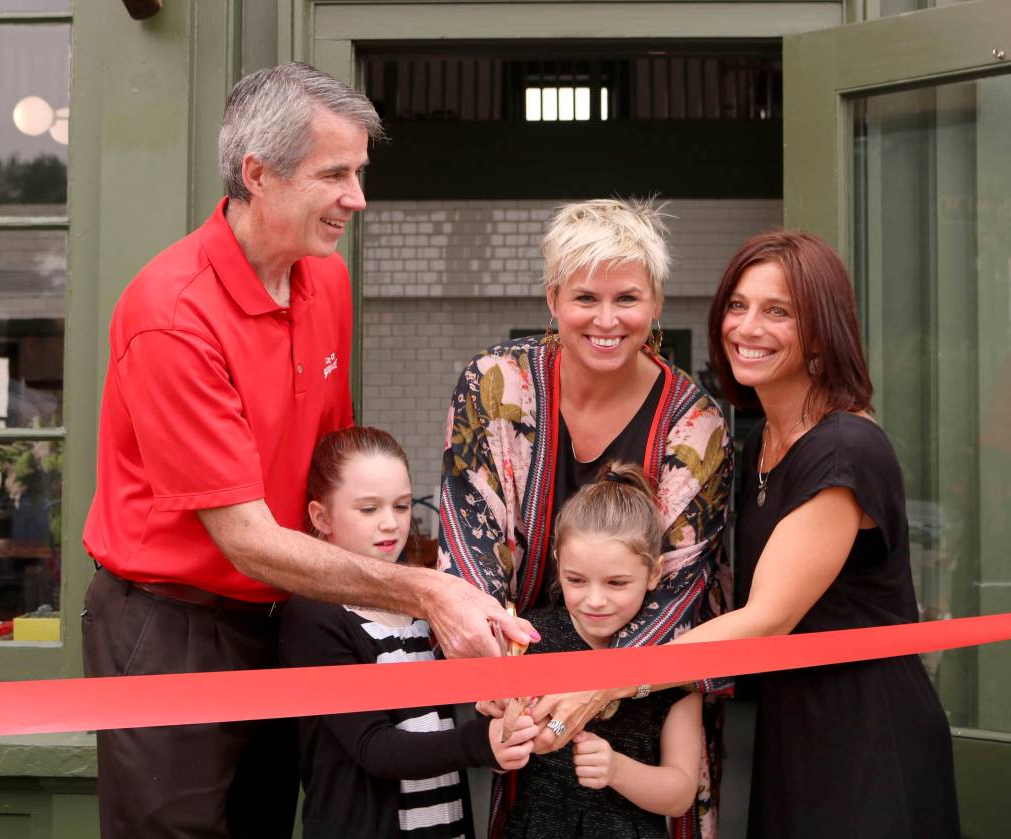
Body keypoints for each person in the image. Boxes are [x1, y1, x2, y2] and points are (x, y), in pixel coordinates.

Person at [80, 62, 533, 838]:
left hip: (285, 612)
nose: (357, 197)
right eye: (336, 174)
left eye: (358, 171)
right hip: (171, 624)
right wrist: (428, 594)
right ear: (260, 174)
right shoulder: (171, 312)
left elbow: (335, 474)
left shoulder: (324, 279)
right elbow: (245, 537)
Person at [439, 198, 732, 837]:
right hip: (527, 677)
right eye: (585, 298)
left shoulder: (695, 425)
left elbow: (681, 591)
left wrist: (600, 687)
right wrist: (496, 669)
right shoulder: (496, 387)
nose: (606, 320)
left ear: (656, 304)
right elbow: (469, 551)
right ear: (552, 299)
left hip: (652, 687)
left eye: (627, 298)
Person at [674, 230, 960, 837]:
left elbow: (766, 618)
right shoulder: (760, 442)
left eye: (778, 311)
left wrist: (608, 675)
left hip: (866, 736)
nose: (747, 327)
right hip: (796, 725)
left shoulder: (844, 446)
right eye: (737, 304)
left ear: (821, 333)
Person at [279, 427, 540, 838]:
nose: (390, 524)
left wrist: (494, 724)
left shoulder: (425, 600)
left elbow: (442, 728)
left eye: (401, 506)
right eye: (368, 509)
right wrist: (479, 744)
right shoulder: (313, 615)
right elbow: (374, 748)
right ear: (320, 517)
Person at [496, 461, 702, 839]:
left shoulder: (673, 663)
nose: (594, 600)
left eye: (616, 583)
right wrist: (503, 734)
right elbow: (493, 754)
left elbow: (681, 793)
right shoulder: (531, 640)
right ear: (558, 565)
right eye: (576, 580)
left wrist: (617, 770)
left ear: (654, 573)